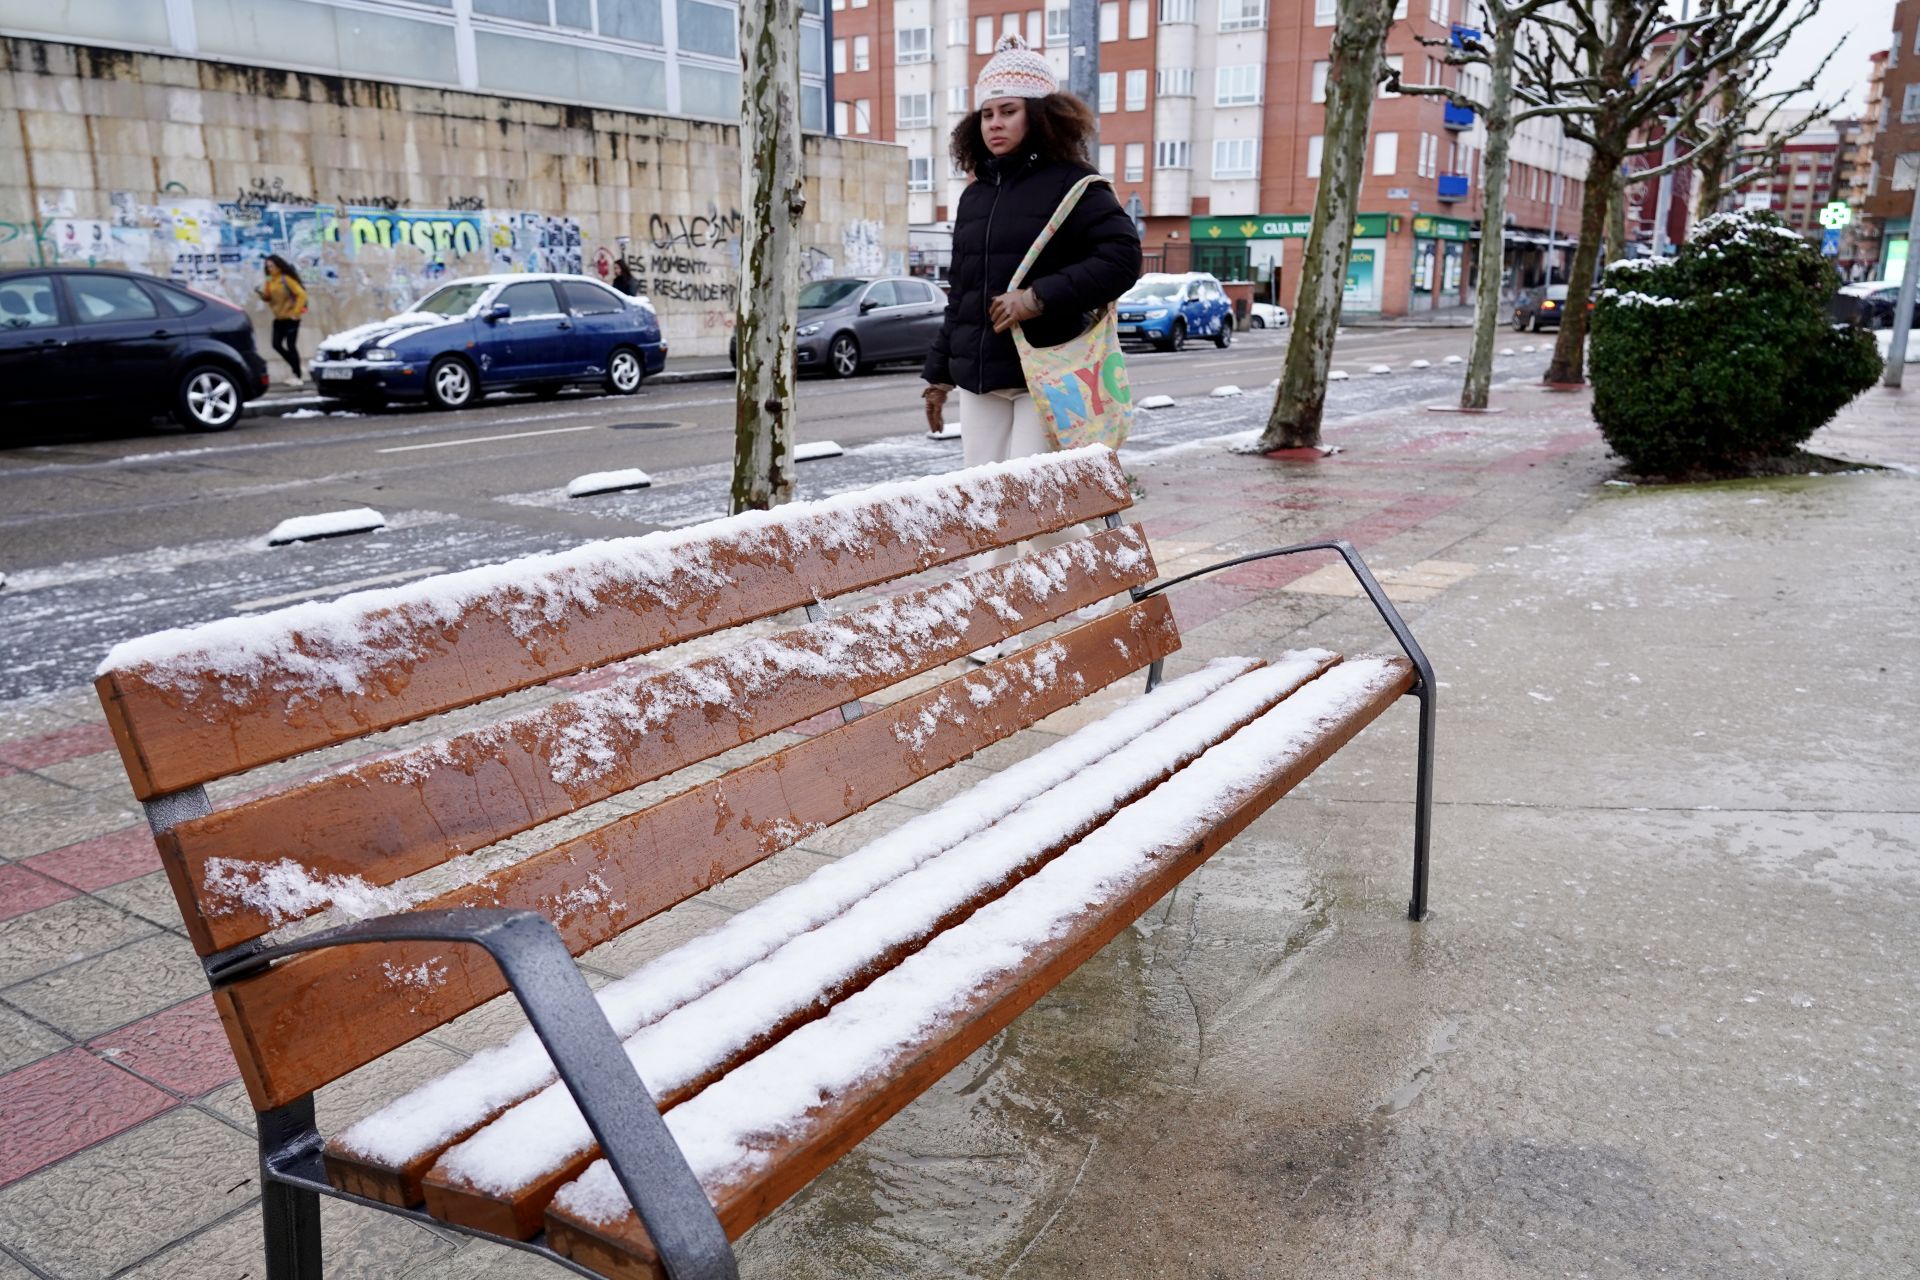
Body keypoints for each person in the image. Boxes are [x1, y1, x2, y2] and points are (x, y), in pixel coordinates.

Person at [921, 34, 1141, 461]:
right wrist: (938, 375)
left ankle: (1083, 533)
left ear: (1040, 116)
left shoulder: (1075, 184)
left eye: (1008, 111)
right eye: (986, 114)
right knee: (990, 510)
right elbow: (963, 296)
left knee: (1043, 516)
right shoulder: (974, 196)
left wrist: (1037, 299)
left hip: (1048, 373)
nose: (994, 124)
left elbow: (1122, 258)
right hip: (979, 379)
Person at [257, 255, 309, 386]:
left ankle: (297, 376)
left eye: (271, 266)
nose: (269, 269)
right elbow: (269, 297)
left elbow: (301, 294)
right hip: (279, 318)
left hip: (291, 318)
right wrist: (262, 294)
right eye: (267, 267)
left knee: (291, 346)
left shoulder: (285, 279)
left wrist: (296, 313)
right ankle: (295, 366)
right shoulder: (270, 280)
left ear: (279, 266)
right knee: (276, 344)